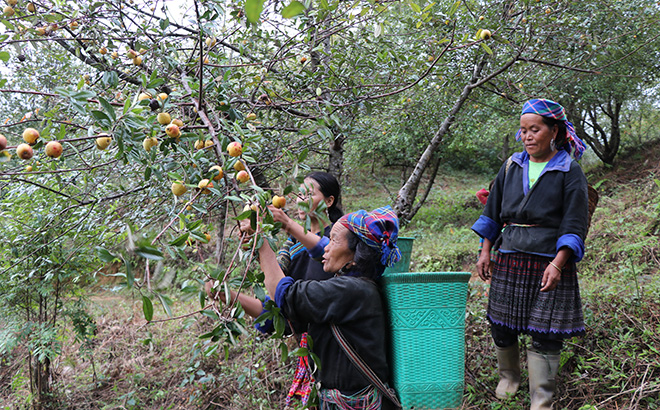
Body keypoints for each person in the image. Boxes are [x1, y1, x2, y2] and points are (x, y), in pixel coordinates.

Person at [471, 99, 589, 410]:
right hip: (509, 254)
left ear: (554, 131)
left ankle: (542, 398)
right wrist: (486, 250)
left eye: (534, 129)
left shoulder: (569, 170)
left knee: (546, 330)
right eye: (523, 130)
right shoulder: (512, 165)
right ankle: (509, 378)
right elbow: (492, 211)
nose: (527, 136)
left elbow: (575, 221)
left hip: (549, 259)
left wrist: (558, 263)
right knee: (502, 323)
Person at [207, 171, 343, 407]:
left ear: (329, 201)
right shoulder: (291, 248)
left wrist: (287, 225)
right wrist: (227, 295)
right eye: (299, 194)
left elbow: (324, 250)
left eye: (309, 194)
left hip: (341, 354)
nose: (301, 200)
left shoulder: (340, 242)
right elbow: (273, 312)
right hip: (313, 360)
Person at [260, 206, 401, 410]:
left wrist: (262, 243)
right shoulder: (355, 287)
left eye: (334, 240)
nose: (326, 247)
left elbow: (286, 296)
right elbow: (289, 314)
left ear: (356, 252)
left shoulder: (351, 290)